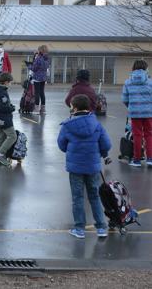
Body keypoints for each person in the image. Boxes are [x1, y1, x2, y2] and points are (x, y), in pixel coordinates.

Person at [58, 94, 111, 239]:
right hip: (93, 167)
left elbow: (61, 145)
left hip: (75, 168)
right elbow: (106, 144)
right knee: (94, 196)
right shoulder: (96, 124)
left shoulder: (68, 125)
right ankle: (101, 227)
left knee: (77, 197)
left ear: (74, 108)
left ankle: (79, 228)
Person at [122, 60, 152, 167]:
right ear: (146, 69)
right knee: (149, 134)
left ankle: (137, 160)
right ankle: (150, 158)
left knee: (137, 135)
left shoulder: (127, 82)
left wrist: (131, 107)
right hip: (149, 113)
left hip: (135, 113)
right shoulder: (151, 82)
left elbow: (125, 99)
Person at [31, 45, 50, 114]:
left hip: (37, 77)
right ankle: (43, 109)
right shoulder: (47, 58)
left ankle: (36, 110)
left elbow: (34, 68)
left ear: (40, 50)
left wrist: (29, 66)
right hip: (43, 77)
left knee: (37, 93)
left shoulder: (38, 58)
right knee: (42, 92)